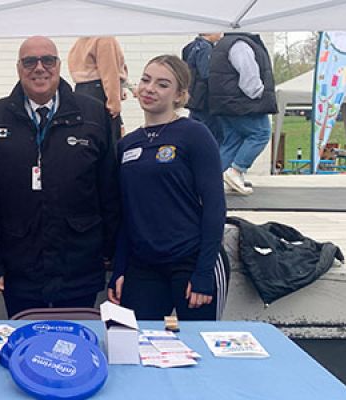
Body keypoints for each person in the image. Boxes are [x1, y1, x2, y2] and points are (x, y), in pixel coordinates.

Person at [0, 36, 119, 318]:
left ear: (59, 65)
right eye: (30, 61)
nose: (39, 68)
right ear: (19, 68)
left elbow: (109, 190)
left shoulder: (93, 114)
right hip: (19, 262)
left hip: (79, 260)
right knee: (26, 345)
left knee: (75, 343)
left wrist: (112, 253)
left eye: (47, 60)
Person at [107, 55, 229, 321]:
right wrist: (119, 269)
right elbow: (127, 215)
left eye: (162, 84)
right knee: (135, 346)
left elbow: (215, 206)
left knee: (200, 348)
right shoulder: (126, 145)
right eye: (146, 80)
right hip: (144, 266)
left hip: (191, 261)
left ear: (179, 95)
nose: (150, 89)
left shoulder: (194, 134)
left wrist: (204, 272)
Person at [208, 33, 278, 195]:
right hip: (242, 103)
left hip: (224, 104)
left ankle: (215, 181)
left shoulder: (223, 44)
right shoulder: (240, 44)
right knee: (261, 133)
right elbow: (249, 75)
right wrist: (260, 93)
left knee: (232, 139)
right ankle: (236, 170)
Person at [68, 36, 129, 139]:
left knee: (88, 137)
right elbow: (109, 72)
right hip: (99, 91)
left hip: (81, 90)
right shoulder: (105, 39)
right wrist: (114, 102)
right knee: (109, 140)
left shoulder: (80, 41)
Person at [181, 33, 223, 144]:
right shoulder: (206, 48)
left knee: (193, 132)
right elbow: (206, 74)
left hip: (194, 98)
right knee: (213, 136)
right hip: (205, 100)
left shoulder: (189, 47)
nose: (220, 34)